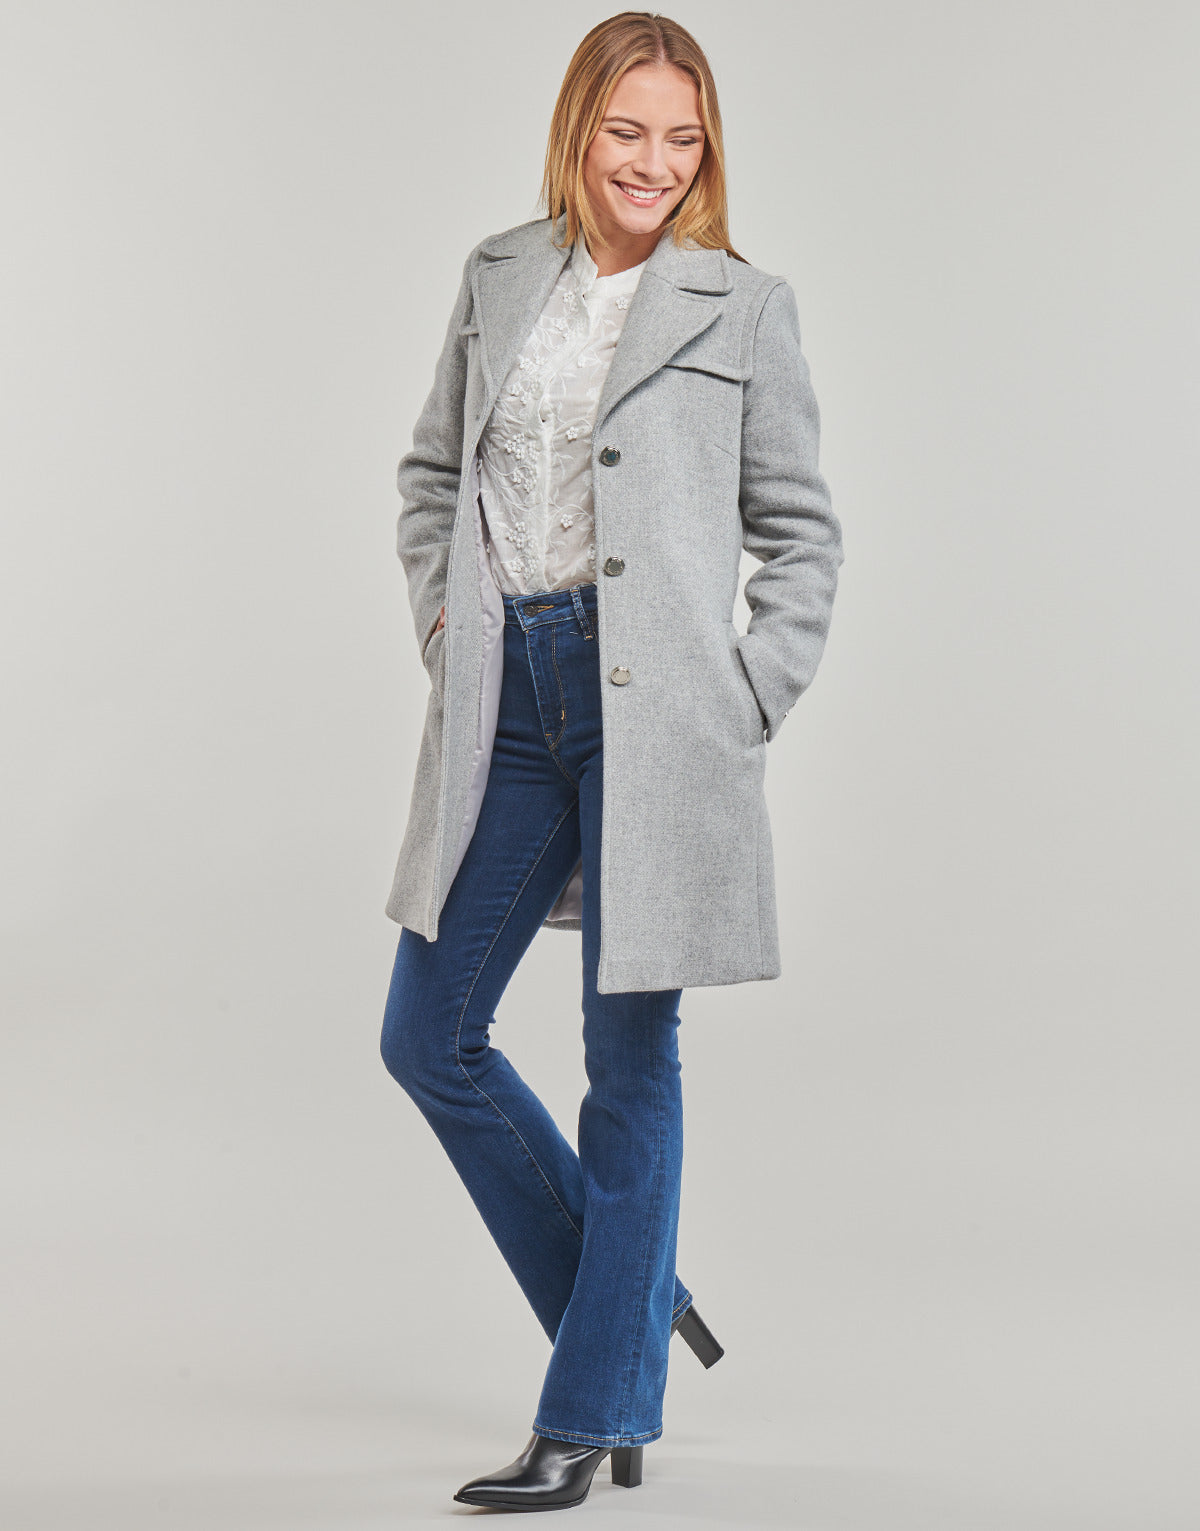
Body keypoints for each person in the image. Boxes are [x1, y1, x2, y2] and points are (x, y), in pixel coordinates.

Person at [380, 12, 843, 1513]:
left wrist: (744, 700)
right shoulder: (498, 275)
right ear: (579, 127)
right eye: (627, 130)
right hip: (510, 697)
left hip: (662, 718)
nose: (654, 163)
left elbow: (802, 535)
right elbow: (430, 474)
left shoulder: (744, 307)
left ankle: (591, 1410)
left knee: (628, 1061)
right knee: (428, 1035)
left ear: (708, 152)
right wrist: (446, 625)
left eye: (683, 139)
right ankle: (638, 1315)